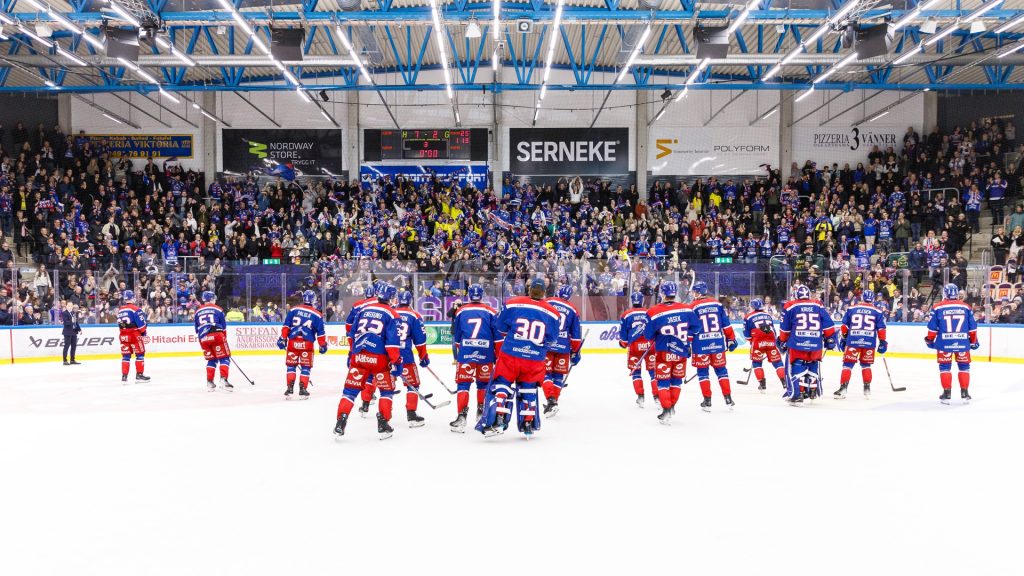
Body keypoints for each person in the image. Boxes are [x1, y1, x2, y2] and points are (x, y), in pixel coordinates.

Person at [476, 277, 559, 438]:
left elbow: (500, 327)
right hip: (534, 358)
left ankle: (498, 419)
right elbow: (552, 339)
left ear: (529, 289)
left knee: (502, 385)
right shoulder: (553, 313)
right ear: (544, 292)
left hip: (511, 354)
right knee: (528, 389)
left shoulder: (514, 302)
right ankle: (528, 423)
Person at [334, 283, 403, 439]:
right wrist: (397, 362)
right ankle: (383, 424)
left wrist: (352, 354)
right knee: (386, 391)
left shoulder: (363, 310)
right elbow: (392, 344)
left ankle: (341, 421)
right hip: (379, 360)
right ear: (391, 297)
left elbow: (351, 335)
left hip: (359, 357)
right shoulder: (392, 314)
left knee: (349, 392)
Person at [644, 281, 695, 425]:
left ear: (662, 293)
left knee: (663, 382)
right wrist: (686, 338)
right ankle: (671, 407)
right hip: (681, 352)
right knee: (676, 381)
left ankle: (666, 409)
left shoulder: (653, 311)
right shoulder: (687, 309)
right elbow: (696, 328)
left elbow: (647, 336)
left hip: (663, 352)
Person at [450, 284, 499, 432]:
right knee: (483, 385)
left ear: (469, 295)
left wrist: (463, 351)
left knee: (463, 384)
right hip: (486, 354)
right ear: (482, 295)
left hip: (466, 353)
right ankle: (481, 413)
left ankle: (461, 417)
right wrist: (496, 355)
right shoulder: (491, 311)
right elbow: (497, 337)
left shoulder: (461, 311)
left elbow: (456, 337)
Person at [778, 285, 837, 405]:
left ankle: (796, 395)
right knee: (813, 364)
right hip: (815, 343)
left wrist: (782, 340)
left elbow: (785, 329)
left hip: (797, 343)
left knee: (793, 368)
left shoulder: (790, 305)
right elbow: (829, 325)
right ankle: (812, 391)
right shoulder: (817, 304)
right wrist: (830, 338)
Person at [687, 281, 738, 411]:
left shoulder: (692, 307)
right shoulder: (717, 304)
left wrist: (687, 344)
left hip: (700, 345)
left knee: (703, 373)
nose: (693, 294)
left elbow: (691, 330)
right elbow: (726, 324)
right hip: (717, 343)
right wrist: (731, 339)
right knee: (721, 371)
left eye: (694, 292)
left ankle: (707, 401)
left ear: (698, 293)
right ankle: (728, 399)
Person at [925, 283, 979, 404]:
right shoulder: (966, 307)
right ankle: (965, 393)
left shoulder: (938, 307)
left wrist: (929, 339)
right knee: (964, 367)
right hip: (962, 342)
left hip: (944, 343)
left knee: (945, 367)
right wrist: (974, 341)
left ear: (945, 293)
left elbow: (933, 328)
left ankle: (947, 393)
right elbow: (972, 328)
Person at [834, 290, 887, 399]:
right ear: (872, 299)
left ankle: (843, 389)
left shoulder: (852, 308)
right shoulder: (877, 311)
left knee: (847, 365)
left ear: (862, 298)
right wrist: (882, 341)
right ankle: (867, 389)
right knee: (866, 365)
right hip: (869, 342)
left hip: (853, 341)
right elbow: (881, 328)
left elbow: (844, 326)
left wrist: (844, 336)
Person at [541, 284, 583, 418]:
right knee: (558, 376)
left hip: (547, 344)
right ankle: (554, 403)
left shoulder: (548, 301)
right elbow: (576, 335)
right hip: (563, 347)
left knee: (545, 373)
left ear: (558, 292)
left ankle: (551, 400)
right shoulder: (573, 309)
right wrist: (575, 351)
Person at [277, 290, 327, 400]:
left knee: (291, 366)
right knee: (305, 367)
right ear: (313, 299)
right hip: (307, 344)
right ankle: (302, 389)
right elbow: (321, 333)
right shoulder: (317, 315)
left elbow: (286, 326)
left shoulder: (294, 310)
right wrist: (323, 345)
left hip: (293, 342)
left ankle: (289, 389)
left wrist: (282, 339)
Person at [395, 290, 430, 428]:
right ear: (410, 301)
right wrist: (423, 357)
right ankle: (411, 415)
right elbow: (420, 341)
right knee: (413, 385)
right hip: (405, 357)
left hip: (387, 356)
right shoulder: (414, 316)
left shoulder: (390, 312)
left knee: (385, 387)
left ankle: (383, 416)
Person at [346, 284, 380, 413]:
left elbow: (349, 324)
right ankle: (373, 392)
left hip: (359, 343)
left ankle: (365, 398)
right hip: (378, 343)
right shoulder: (381, 303)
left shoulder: (357, 305)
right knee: (377, 371)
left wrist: (352, 337)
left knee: (362, 371)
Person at [618, 291, 656, 407]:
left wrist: (623, 343)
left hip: (635, 348)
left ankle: (640, 397)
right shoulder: (649, 313)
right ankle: (657, 397)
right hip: (650, 347)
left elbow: (623, 335)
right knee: (653, 374)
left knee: (636, 374)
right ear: (642, 300)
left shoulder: (626, 315)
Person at [742, 298, 785, 393]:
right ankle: (784, 383)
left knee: (757, 363)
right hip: (771, 341)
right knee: (777, 362)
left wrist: (752, 341)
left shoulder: (748, 317)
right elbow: (773, 330)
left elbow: (746, 334)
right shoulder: (768, 315)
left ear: (753, 307)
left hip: (758, 342)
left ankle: (762, 385)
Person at [194, 291, 232, 392]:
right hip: (217, 336)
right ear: (211, 299)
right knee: (224, 357)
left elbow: (197, 329)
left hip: (203, 339)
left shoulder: (197, 311)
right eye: (214, 298)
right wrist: (224, 340)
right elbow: (223, 327)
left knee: (212, 359)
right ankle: (224, 380)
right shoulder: (218, 309)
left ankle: (209, 382)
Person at [116, 290, 150, 384]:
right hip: (134, 335)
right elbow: (141, 326)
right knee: (140, 354)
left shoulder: (120, 309)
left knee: (125, 356)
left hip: (123, 335)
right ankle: (139, 375)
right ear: (133, 298)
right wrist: (144, 330)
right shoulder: (135, 309)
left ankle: (124, 376)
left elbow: (120, 324)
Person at [61, 301, 81, 365]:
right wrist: (71, 321)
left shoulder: (73, 313)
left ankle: (72, 360)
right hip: (67, 332)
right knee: (66, 346)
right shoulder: (64, 313)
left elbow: (76, 322)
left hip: (74, 332)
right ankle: (65, 360)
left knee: (74, 346)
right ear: (66, 306)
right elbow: (66, 323)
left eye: (71, 306)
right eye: (69, 306)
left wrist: (79, 329)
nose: (70, 307)